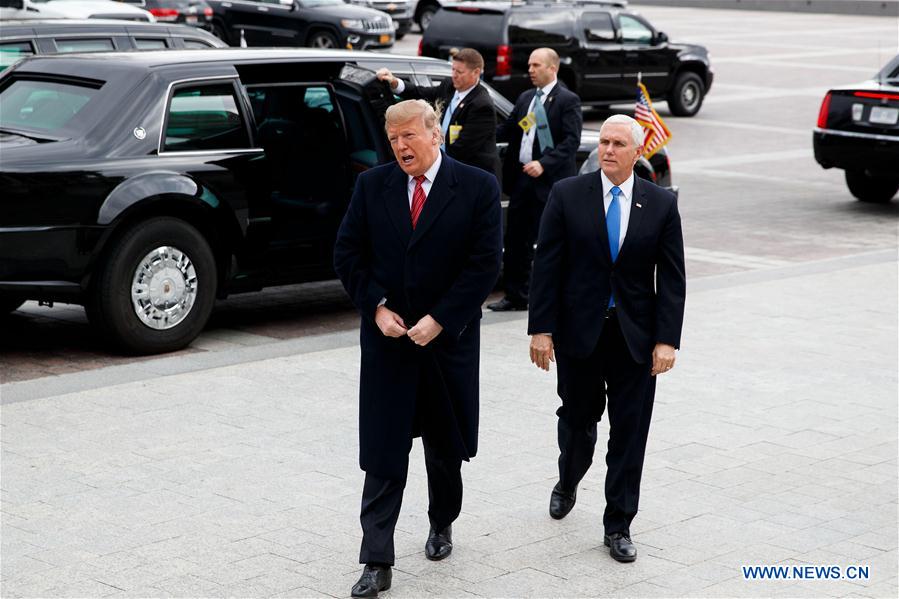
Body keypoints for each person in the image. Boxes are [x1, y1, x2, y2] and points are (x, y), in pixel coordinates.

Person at [333, 99, 502, 598]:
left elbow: (484, 265)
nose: (401, 147)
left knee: (444, 451)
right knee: (384, 453)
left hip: (445, 346)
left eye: (409, 136)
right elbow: (347, 254)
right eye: (393, 139)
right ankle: (376, 560)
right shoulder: (372, 186)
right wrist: (377, 307)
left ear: (435, 133)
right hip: (389, 346)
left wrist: (442, 320)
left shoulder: (476, 187)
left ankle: (441, 522)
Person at [527, 114, 685, 563]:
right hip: (580, 334)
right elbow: (548, 267)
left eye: (618, 143)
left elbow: (672, 280)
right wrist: (541, 328)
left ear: (638, 152)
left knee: (630, 433)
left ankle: (618, 524)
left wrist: (666, 340)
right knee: (578, 420)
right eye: (605, 143)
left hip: (635, 338)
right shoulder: (568, 194)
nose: (608, 150)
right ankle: (569, 477)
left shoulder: (660, 204)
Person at [487, 47, 582, 312]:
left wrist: (544, 163)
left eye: (536, 65)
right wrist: (480, 132)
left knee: (549, 242)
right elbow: (510, 129)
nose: (530, 70)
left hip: (549, 183)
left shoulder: (567, 100)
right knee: (517, 240)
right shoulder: (526, 98)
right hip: (522, 181)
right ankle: (516, 296)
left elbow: (570, 142)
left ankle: (550, 296)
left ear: (553, 68)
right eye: (529, 65)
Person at [376, 48, 500, 178]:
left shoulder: (481, 106)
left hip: (471, 175)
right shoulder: (449, 86)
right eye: (453, 70)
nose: (454, 75)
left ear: (476, 72)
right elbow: (421, 93)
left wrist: (428, 159)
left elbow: (461, 150)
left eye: (459, 72)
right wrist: (394, 82)